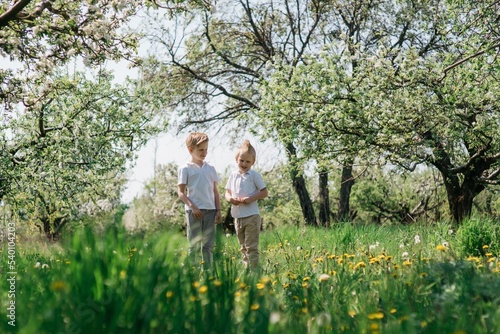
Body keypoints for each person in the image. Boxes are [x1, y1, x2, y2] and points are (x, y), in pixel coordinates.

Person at [177, 132, 221, 270]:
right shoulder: (185, 168)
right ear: (191, 150)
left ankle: (208, 273)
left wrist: (218, 210)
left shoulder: (210, 168)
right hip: (193, 212)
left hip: (211, 210)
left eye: (206, 149)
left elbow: (215, 192)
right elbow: (181, 193)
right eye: (200, 150)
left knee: (208, 245)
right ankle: (192, 274)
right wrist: (193, 207)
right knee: (194, 245)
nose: (204, 152)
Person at [225, 140, 268, 270]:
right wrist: (231, 199)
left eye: (248, 162)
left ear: (253, 162)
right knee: (243, 247)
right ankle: (246, 270)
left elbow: (264, 192)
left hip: (251, 216)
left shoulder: (254, 175)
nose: (244, 164)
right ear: (236, 159)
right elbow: (227, 192)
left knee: (251, 247)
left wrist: (251, 199)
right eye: (241, 160)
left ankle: (254, 271)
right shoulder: (233, 175)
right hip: (238, 217)